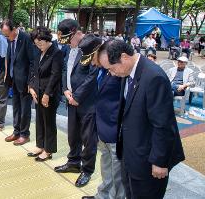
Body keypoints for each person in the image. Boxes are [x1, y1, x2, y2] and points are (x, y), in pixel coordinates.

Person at [98, 40, 185, 199]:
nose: (111, 73)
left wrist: (160, 161)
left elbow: (163, 124)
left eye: (111, 68)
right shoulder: (128, 72)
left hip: (148, 162)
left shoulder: (154, 77)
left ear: (124, 57)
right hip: (130, 155)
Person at [54, 21, 99, 188]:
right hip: (71, 99)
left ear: (75, 32)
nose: (68, 43)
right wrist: (65, 89)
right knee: (73, 134)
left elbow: (92, 76)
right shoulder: (69, 48)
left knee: (88, 138)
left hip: (87, 102)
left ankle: (87, 170)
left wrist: (78, 96)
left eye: (69, 39)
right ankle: (73, 162)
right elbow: (66, 69)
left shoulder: (90, 46)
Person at [82, 40, 125, 199]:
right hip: (102, 126)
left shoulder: (118, 70)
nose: (93, 63)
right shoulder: (103, 70)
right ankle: (103, 195)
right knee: (106, 165)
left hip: (114, 127)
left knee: (117, 170)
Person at [27, 26, 63, 161]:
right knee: (39, 120)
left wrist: (47, 94)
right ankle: (40, 145)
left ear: (47, 39)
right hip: (37, 91)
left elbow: (55, 75)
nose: (39, 46)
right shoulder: (38, 52)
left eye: (41, 43)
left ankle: (48, 149)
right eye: (36, 44)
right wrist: (31, 87)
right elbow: (33, 70)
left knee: (49, 121)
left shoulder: (56, 52)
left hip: (50, 93)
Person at [1, 20, 35, 146]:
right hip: (14, 79)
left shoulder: (26, 38)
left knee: (25, 109)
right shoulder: (10, 40)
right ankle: (16, 131)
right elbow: (10, 59)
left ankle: (24, 134)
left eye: (7, 34)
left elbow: (33, 62)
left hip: (25, 81)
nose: (6, 37)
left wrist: (30, 82)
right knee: (16, 107)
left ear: (14, 29)